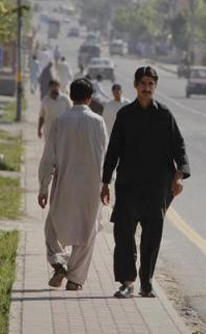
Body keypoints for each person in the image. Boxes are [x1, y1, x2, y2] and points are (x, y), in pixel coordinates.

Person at [101, 66, 190, 299]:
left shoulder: (164, 115)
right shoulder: (125, 115)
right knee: (123, 235)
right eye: (143, 83)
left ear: (155, 87)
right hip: (128, 185)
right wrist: (105, 181)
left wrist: (179, 176)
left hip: (156, 188)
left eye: (151, 84)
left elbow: (178, 146)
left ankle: (146, 283)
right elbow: (113, 150)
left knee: (152, 237)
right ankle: (126, 282)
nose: (146, 88)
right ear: (135, 85)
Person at [38, 78, 107, 291]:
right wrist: (107, 185)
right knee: (87, 231)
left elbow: (48, 158)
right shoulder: (97, 122)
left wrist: (43, 188)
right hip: (91, 187)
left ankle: (58, 262)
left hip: (64, 185)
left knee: (52, 227)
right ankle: (75, 279)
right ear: (89, 98)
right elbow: (105, 155)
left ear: (71, 94)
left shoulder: (60, 121)